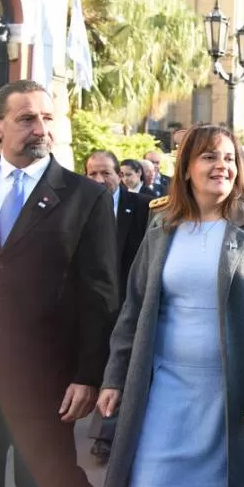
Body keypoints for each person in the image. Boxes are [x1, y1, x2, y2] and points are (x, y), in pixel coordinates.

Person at [89, 125, 244, 487]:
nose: (221, 165)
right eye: (208, 157)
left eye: (229, 158)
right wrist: (114, 377)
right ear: (186, 167)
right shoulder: (162, 225)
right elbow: (135, 307)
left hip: (234, 389)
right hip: (166, 388)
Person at [0, 80, 120, 487]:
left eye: (47, 118)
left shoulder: (85, 197)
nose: (41, 128)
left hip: (42, 375)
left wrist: (87, 374)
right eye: (26, 119)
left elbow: (100, 291)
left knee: (42, 484)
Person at [83, 149, 154, 464]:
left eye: (106, 173)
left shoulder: (141, 207)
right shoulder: (78, 206)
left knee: (122, 366)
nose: (99, 180)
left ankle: (106, 434)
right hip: (92, 307)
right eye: (92, 173)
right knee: (100, 367)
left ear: (120, 176)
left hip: (131, 302)